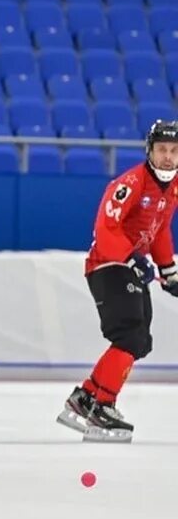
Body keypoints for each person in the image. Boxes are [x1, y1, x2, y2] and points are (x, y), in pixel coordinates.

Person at [56, 120, 178, 443]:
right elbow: (105, 227)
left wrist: (169, 270)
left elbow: (160, 230)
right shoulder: (132, 182)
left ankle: (87, 397)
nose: (168, 157)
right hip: (109, 264)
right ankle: (103, 404)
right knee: (129, 333)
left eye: (174, 151)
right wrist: (132, 259)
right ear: (150, 151)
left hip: (129, 266)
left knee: (139, 340)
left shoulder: (174, 187)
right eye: (162, 150)